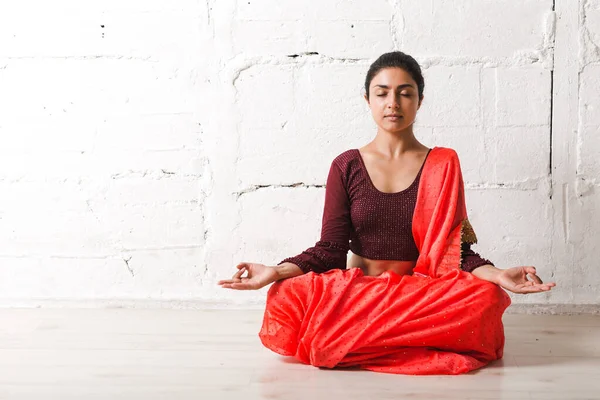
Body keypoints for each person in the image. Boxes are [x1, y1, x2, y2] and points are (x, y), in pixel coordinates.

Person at [218, 51, 556, 375]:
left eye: (404, 93)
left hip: (418, 292)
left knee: (485, 296)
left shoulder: (443, 163)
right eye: (382, 93)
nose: (393, 103)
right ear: (368, 100)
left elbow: (454, 253)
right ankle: (402, 338)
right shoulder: (346, 165)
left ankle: (360, 340)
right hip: (359, 292)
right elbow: (330, 249)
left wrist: (498, 275)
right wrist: (275, 272)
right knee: (285, 293)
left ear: (419, 101)